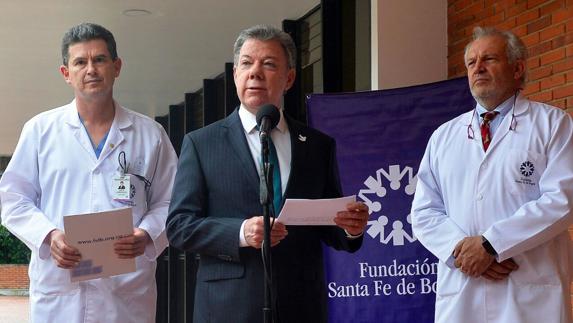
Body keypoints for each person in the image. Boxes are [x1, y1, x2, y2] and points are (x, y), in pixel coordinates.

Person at [166, 24, 369, 323]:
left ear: (289, 78)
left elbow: (331, 227)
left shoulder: (317, 145)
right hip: (227, 307)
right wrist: (240, 233)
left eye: (269, 64)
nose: (255, 72)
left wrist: (351, 227)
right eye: (247, 63)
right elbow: (179, 226)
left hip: (300, 305)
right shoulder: (201, 143)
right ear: (236, 73)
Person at [0, 23, 178, 322]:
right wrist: (48, 235)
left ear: (116, 66)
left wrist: (146, 234)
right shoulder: (40, 131)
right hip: (59, 292)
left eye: (100, 59)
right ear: (66, 73)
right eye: (80, 62)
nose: (91, 69)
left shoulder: (150, 134)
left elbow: (172, 201)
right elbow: (12, 198)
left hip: (126, 294)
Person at [411, 26, 573, 323]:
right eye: (472, 62)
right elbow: (423, 212)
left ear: (518, 67)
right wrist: (463, 251)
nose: (478, 68)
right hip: (464, 289)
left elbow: (562, 200)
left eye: (489, 59)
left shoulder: (553, 125)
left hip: (529, 292)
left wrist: (491, 245)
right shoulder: (443, 137)